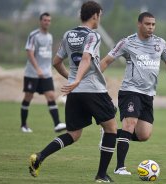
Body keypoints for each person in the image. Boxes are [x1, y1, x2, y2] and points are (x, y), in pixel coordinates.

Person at [28, 1, 117, 182]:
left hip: (75, 93)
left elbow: (56, 62)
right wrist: (77, 80)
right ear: (95, 15)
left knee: (73, 134)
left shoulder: (69, 34)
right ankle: (101, 175)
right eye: (100, 15)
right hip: (93, 90)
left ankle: (39, 157)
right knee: (111, 129)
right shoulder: (93, 36)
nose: (100, 18)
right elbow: (86, 58)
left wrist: (72, 80)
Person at [100, 12, 166, 175]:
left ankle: (110, 133)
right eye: (147, 24)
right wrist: (94, 80)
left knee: (144, 134)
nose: (150, 27)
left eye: (153, 24)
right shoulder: (127, 42)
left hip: (148, 94)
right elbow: (106, 60)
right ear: (139, 24)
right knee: (129, 124)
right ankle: (120, 167)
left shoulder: (160, 43)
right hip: (130, 91)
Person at [21, 12, 66, 133]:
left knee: (51, 96)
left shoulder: (50, 37)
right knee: (28, 97)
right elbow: (29, 52)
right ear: (40, 21)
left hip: (46, 73)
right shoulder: (34, 35)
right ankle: (23, 125)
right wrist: (37, 69)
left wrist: (48, 69)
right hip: (32, 73)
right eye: (45, 20)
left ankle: (57, 124)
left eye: (49, 20)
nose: (47, 22)